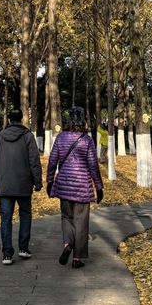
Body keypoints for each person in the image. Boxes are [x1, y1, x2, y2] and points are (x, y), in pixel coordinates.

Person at [46, 106, 104, 269]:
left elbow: (52, 161)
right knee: (81, 221)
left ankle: (67, 245)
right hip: (82, 186)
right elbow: (93, 165)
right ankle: (77, 258)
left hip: (64, 185)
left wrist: (50, 181)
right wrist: (99, 187)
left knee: (66, 217)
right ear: (83, 120)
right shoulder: (87, 140)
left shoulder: (61, 137)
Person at [0, 108, 42, 265]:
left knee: (5, 219)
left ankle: (7, 254)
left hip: (5, 185)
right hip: (23, 184)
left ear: (9, 119)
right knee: (25, 215)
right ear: (21, 119)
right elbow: (34, 161)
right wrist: (38, 182)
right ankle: (23, 248)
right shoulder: (28, 137)